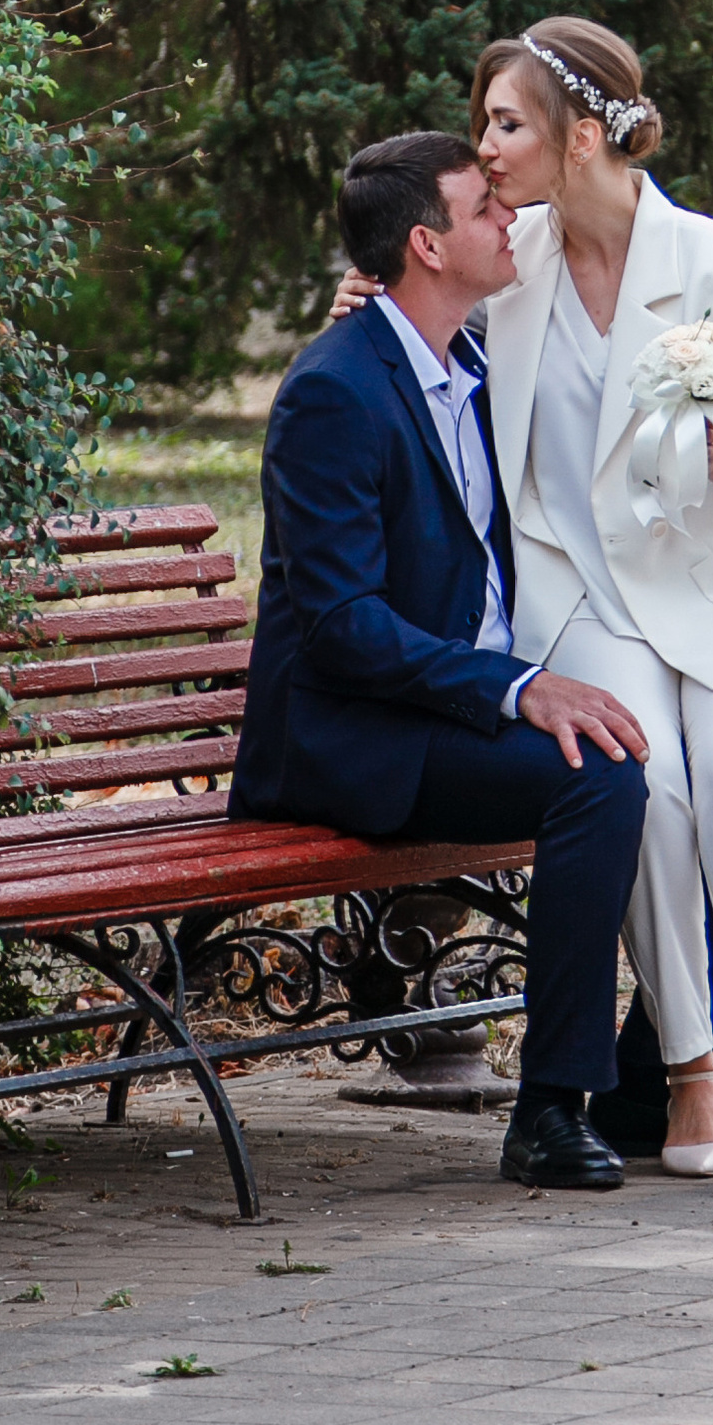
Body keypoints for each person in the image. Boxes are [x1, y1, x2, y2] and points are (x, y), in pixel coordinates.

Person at [232, 128, 653, 1193]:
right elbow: (341, 626)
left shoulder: (478, 363)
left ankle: (652, 1084)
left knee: (674, 754)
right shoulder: (336, 391)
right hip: (351, 735)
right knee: (597, 779)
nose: (509, 217)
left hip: (446, 712)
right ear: (426, 244)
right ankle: (552, 1111)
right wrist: (516, 687)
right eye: (484, 209)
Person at [472, 20, 713, 1194]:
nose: (483, 146)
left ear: (581, 137)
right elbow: (417, 316)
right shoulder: (507, 259)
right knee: (652, 785)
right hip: (588, 600)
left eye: (507, 123)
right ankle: (686, 1072)